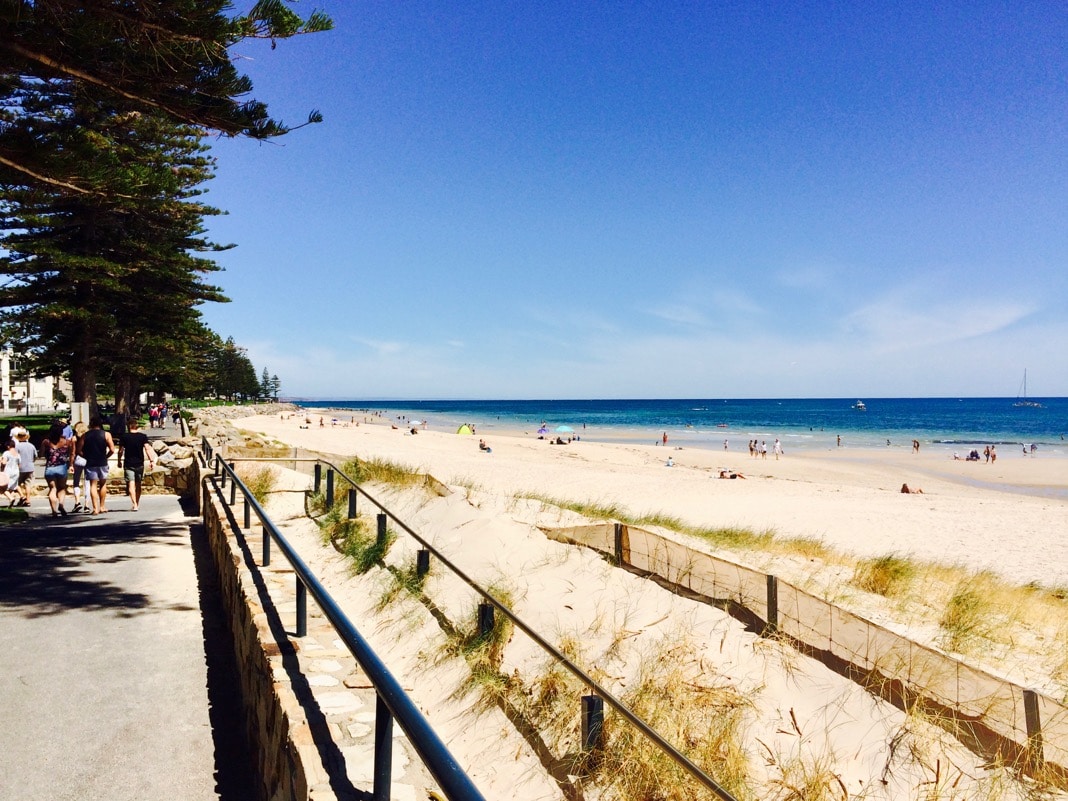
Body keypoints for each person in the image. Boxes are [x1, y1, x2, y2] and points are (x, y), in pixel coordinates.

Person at [78, 416, 115, 515]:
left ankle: (95, 508)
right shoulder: (106, 434)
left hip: (91, 462)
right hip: (102, 461)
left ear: (91, 424)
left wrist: (86, 456)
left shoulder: (85, 435)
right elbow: (112, 449)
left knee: (92, 485)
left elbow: (79, 450)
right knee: (103, 484)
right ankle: (102, 506)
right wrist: (106, 456)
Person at [117, 417, 155, 511]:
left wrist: (119, 460)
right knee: (138, 485)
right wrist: (151, 460)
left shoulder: (124, 437)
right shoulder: (142, 437)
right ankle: (136, 503)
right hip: (139, 463)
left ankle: (134, 504)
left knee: (131, 484)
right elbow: (147, 448)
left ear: (128, 426)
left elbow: (120, 451)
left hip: (128, 463)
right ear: (136, 426)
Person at [40, 422, 73, 516]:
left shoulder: (46, 442)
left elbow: (41, 454)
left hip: (50, 467)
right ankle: (61, 504)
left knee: (52, 489)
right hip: (62, 467)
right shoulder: (66, 442)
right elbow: (70, 454)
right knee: (62, 488)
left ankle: (54, 511)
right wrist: (70, 464)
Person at [14, 430, 38, 507]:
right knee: (28, 484)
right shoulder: (31, 445)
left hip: (20, 467)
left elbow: (15, 457)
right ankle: (28, 500)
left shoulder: (17, 446)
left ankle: (22, 496)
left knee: (15, 483)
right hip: (30, 467)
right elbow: (35, 456)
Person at [70, 421, 88, 511]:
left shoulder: (74, 438)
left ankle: (77, 502)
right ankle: (87, 504)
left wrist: (71, 464)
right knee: (87, 483)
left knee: (76, 482)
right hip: (88, 460)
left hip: (78, 460)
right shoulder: (89, 437)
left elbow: (73, 452)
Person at [1, 439, 20, 505]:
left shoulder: (6, 453)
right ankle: (11, 501)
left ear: (8, 446)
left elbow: (4, 463)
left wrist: (1, 461)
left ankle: (11, 498)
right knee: (12, 487)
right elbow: (19, 464)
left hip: (8, 472)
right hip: (16, 472)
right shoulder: (18, 454)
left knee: (2, 488)